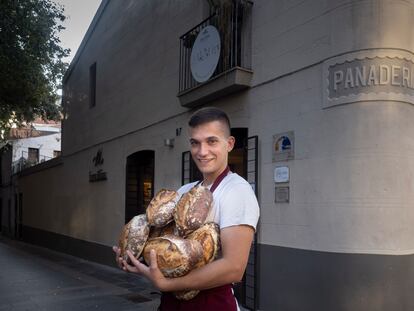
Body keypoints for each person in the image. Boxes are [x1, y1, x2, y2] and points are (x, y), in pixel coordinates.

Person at [113, 107, 260, 311]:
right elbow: (168, 251)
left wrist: (167, 284)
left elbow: (234, 268)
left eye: (211, 141)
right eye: (195, 143)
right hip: (171, 303)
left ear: (229, 144)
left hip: (211, 303)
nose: (202, 151)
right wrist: (138, 262)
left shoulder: (237, 191)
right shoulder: (185, 191)